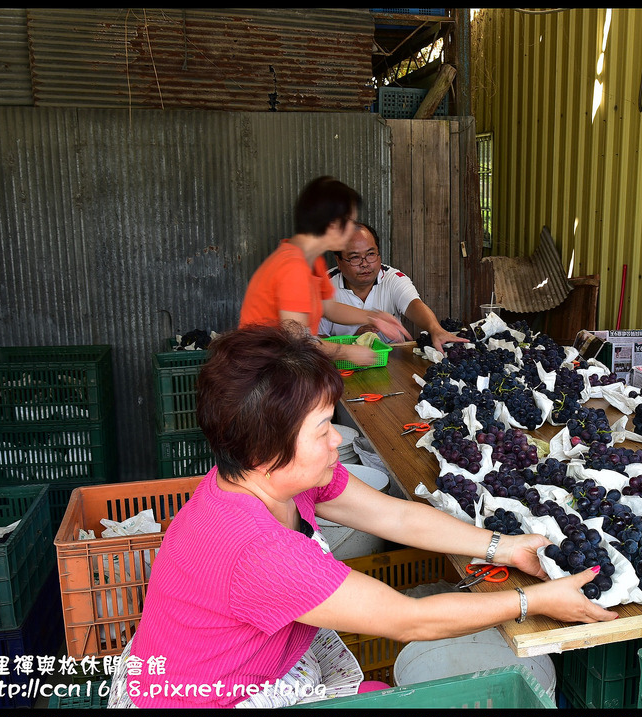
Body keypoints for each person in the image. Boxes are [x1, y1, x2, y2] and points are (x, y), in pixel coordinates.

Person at [107, 325, 616, 709]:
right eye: (324, 427)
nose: (337, 440)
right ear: (264, 446)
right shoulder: (258, 551)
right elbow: (408, 619)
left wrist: (501, 547)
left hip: (257, 670)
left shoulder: (273, 482)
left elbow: (396, 517)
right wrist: (534, 601)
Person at [239, 176, 410, 367]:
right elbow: (298, 342)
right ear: (333, 224)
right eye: (350, 222)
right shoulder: (293, 268)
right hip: (260, 376)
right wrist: (348, 352)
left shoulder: (312, 261)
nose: (353, 230)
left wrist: (375, 317)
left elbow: (329, 308)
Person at [318, 222, 467, 354]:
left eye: (371, 254)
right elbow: (315, 341)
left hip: (393, 362)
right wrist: (353, 340)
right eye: (355, 257)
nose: (365, 264)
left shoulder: (393, 278)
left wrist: (435, 329)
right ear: (339, 260)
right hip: (343, 366)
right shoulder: (324, 286)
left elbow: (414, 305)